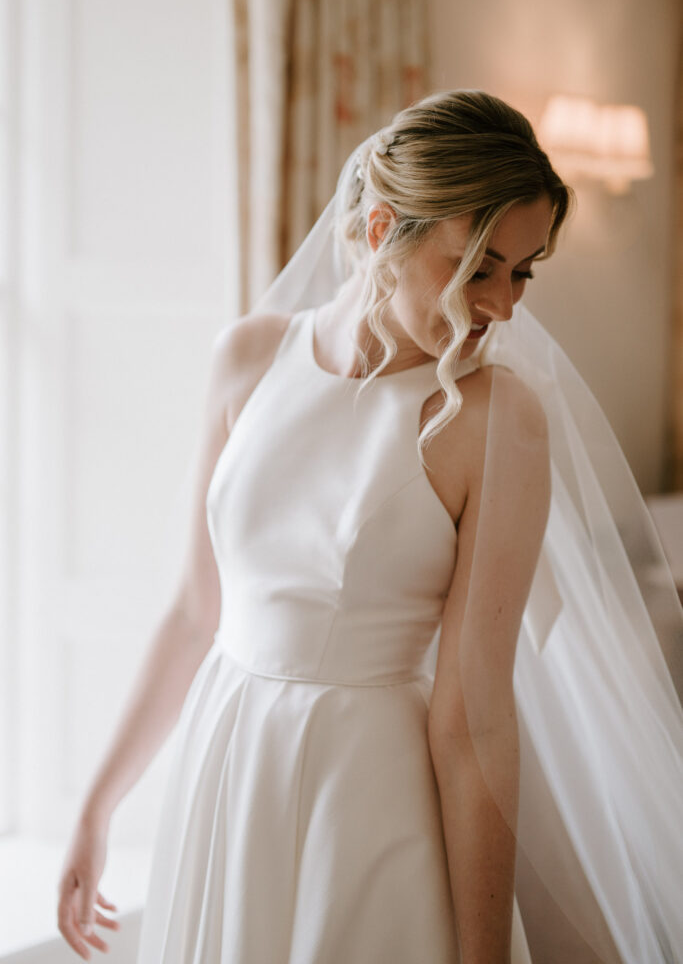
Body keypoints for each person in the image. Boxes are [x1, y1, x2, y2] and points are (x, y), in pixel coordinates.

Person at [56, 90, 683, 964]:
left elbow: (474, 721)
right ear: (385, 227)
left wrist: (481, 956)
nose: (503, 305)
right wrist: (96, 808)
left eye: (523, 270)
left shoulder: (497, 419)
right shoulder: (247, 357)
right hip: (229, 764)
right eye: (477, 267)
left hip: (363, 798)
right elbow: (195, 616)